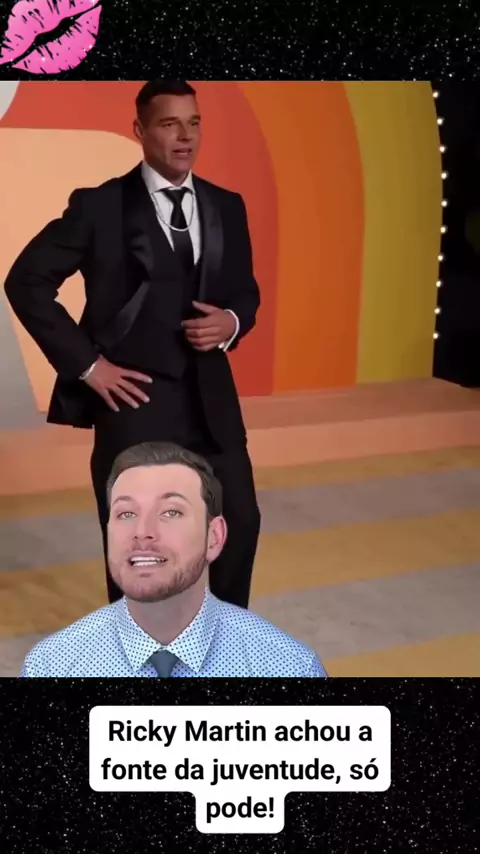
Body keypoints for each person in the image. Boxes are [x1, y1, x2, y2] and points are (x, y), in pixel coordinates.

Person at [4, 80, 261, 610]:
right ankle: (138, 651)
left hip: (212, 402)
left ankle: (223, 640)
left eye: (193, 123)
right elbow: (25, 281)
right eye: (170, 124)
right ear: (140, 130)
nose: (185, 136)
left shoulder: (227, 206)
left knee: (237, 525)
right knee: (140, 547)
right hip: (134, 405)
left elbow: (244, 292)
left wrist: (232, 322)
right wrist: (87, 365)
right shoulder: (99, 207)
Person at [19, 442, 327, 678]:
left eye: (171, 512)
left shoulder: (290, 669)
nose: (142, 531)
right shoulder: (50, 668)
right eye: (126, 513)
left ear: (214, 537)